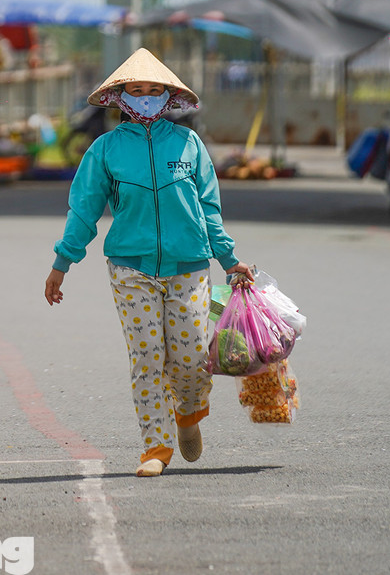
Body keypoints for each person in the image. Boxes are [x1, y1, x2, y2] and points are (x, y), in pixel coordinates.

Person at [43, 48, 253, 477]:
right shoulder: (105, 150)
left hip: (190, 266)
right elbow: (84, 209)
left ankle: (189, 414)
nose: (144, 97)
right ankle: (155, 447)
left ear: (167, 96)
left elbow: (209, 209)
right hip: (129, 267)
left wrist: (229, 260)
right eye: (135, 91)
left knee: (192, 357)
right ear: (121, 97)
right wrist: (61, 263)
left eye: (152, 90)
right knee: (147, 357)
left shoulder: (189, 144)